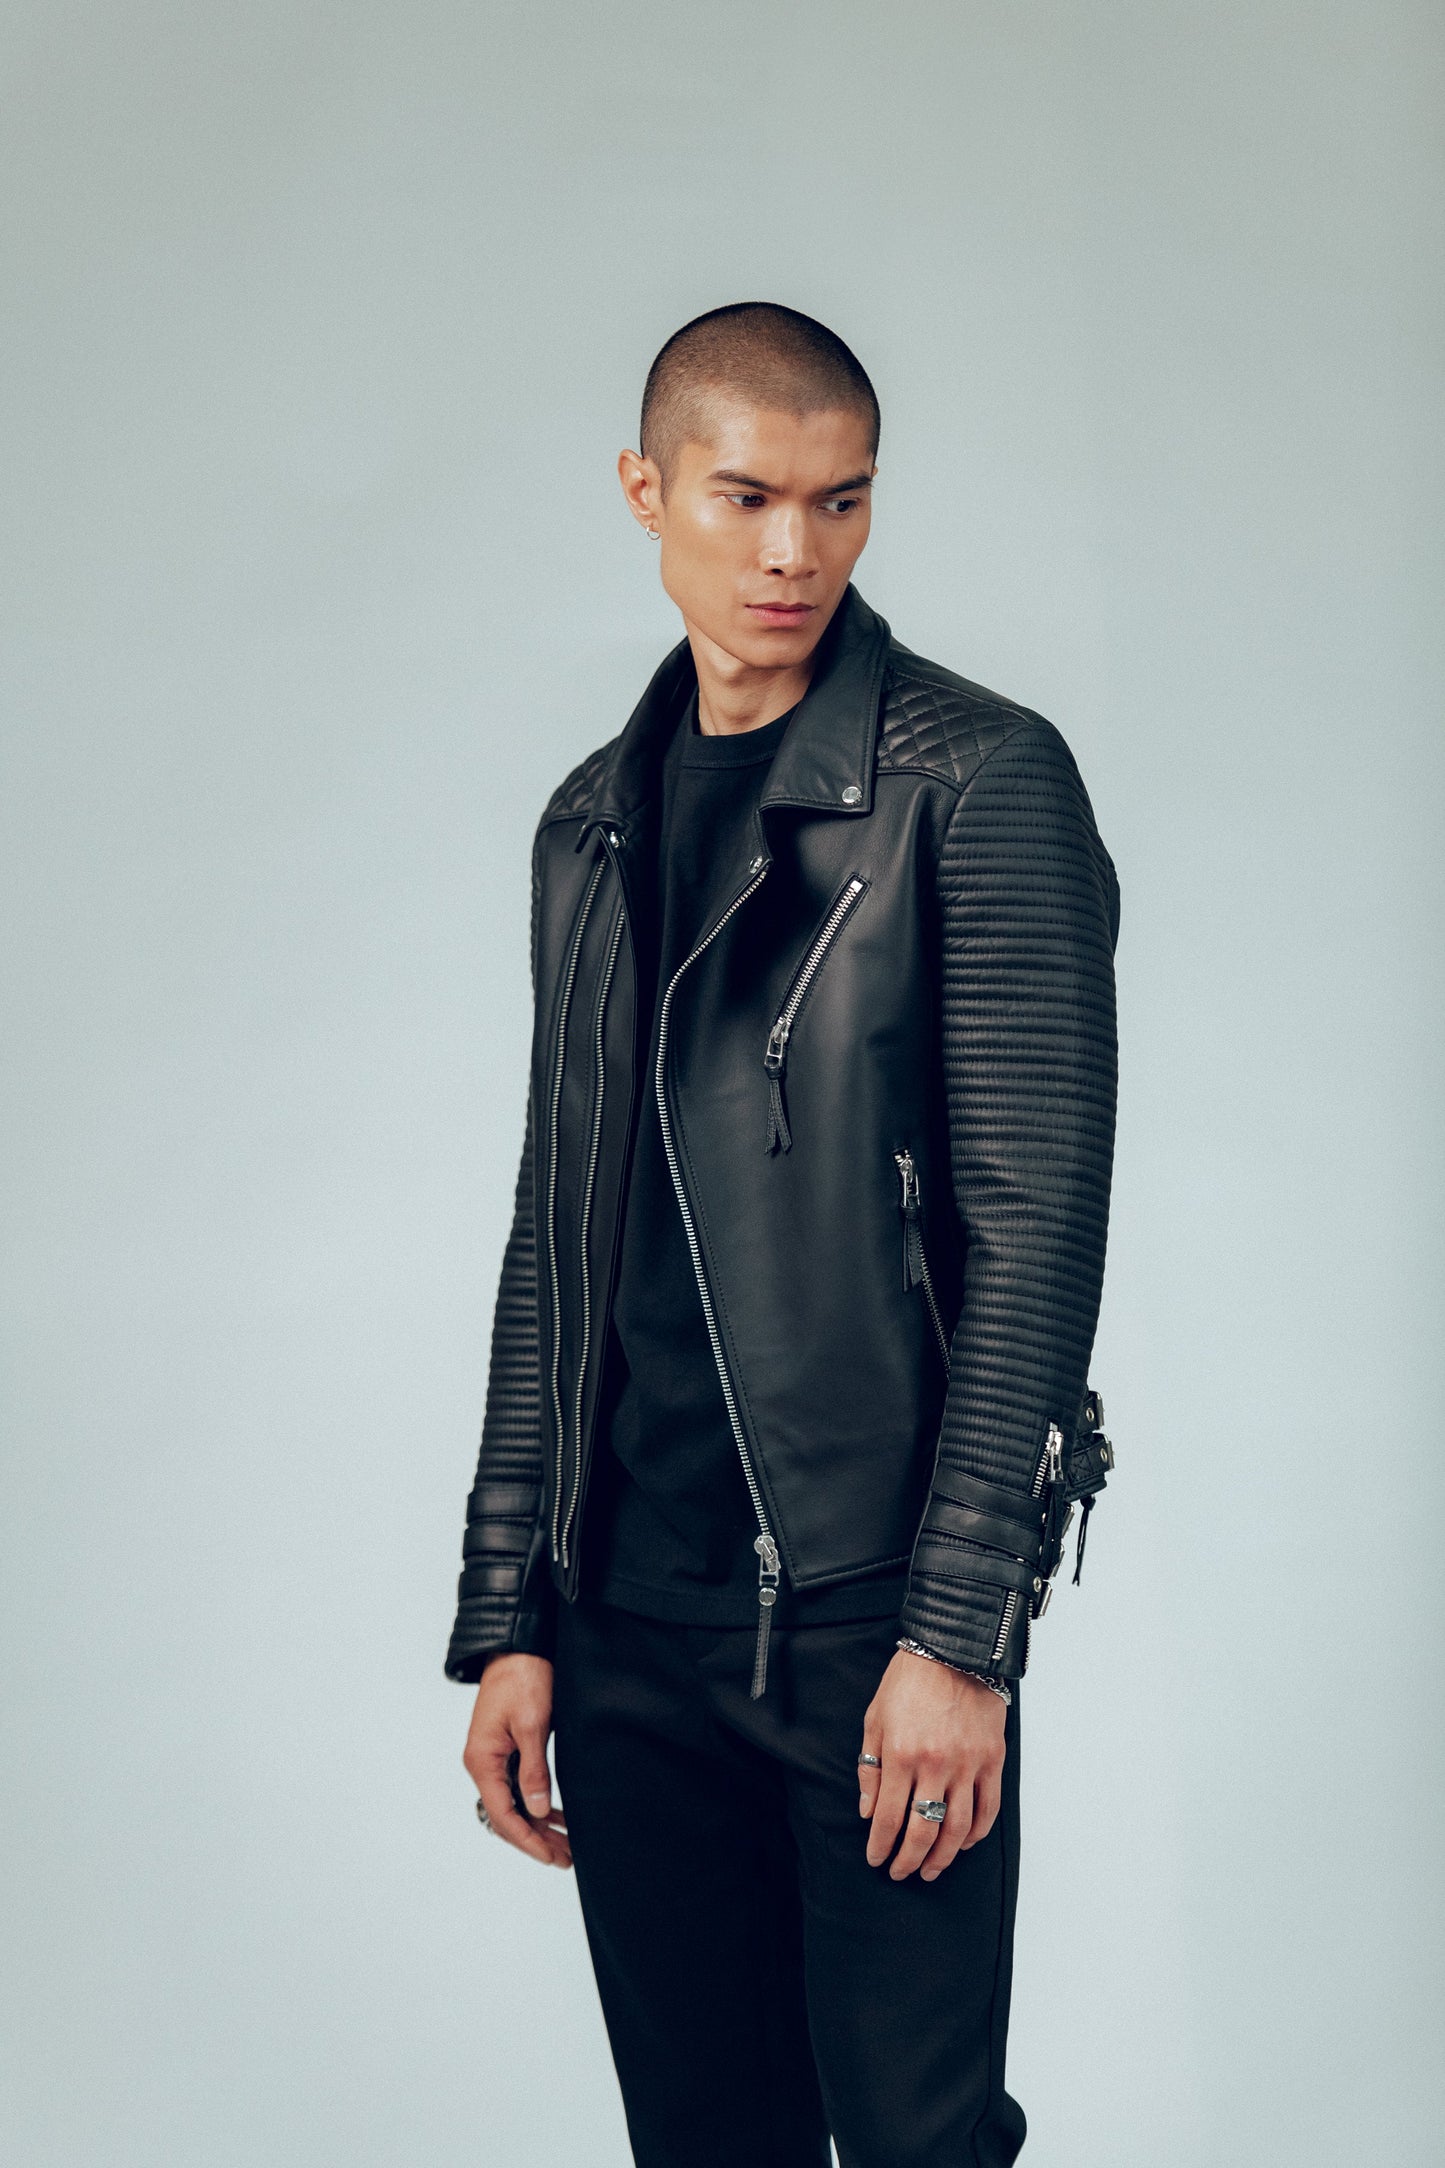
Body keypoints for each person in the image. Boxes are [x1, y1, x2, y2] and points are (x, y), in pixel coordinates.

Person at [446, 302, 1119, 2167]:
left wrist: (960, 1637)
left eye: (840, 501)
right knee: (704, 2142)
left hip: (861, 1616)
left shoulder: (975, 782)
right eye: (744, 496)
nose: (791, 552)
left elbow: (1035, 1234)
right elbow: (556, 1230)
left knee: (913, 2138)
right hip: (624, 1621)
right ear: (644, 489)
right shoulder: (589, 826)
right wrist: (512, 1610)